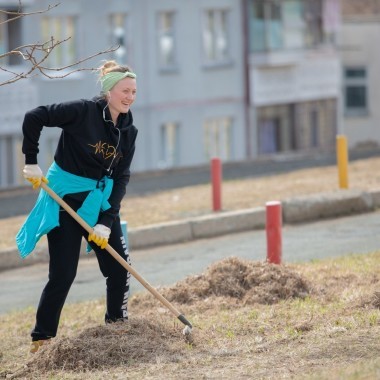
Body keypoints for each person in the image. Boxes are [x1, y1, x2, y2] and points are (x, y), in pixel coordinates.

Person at [15, 60, 138, 354]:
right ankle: (42, 338)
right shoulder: (82, 112)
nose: (130, 97)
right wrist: (31, 161)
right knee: (63, 274)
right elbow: (35, 117)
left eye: (134, 91)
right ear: (109, 91)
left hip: (100, 203)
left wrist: (106, 221)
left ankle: (116, 327)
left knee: (120, 269)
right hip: (65, 200)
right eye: (125, 91)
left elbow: (121, 177)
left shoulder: (129, 131)